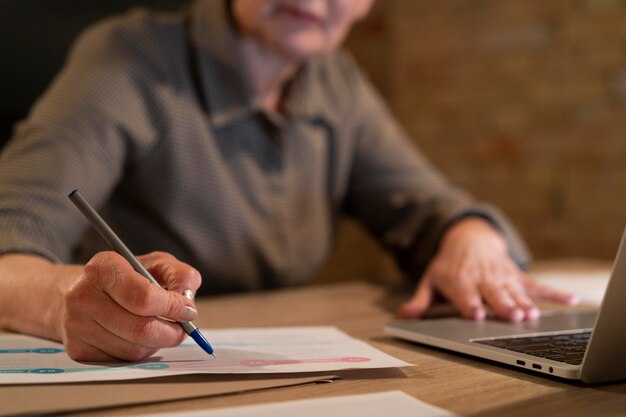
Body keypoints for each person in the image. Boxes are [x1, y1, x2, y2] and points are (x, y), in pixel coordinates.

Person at [0, 0, 576, 362]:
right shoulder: (130, 59)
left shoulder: (336, 84)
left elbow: (428, 206)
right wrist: (63, 304)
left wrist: (470, 238)